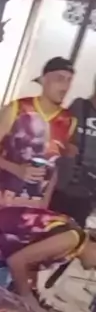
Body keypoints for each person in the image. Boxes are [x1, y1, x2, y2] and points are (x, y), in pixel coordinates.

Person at [0, 56, 77, 211]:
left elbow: (55, 167)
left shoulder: (68, 121)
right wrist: (17, 169)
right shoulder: (17, 109)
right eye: (59, 79)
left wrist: (45, 202)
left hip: (31, 209)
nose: (65, 86)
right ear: (44, 80)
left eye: (69, 80)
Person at [0, 205, 96, 303]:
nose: (94, 270)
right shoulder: (71, 239)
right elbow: (16, 261)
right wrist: (27, 297)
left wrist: (30, 289)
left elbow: (30, 257)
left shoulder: (74, 243)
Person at [50, 75, 96, 226]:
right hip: (62, 184)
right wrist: (65, 145)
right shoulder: (79, 106)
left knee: (73, 232)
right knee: (48, 226)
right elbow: (56, 135)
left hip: (88, 193)